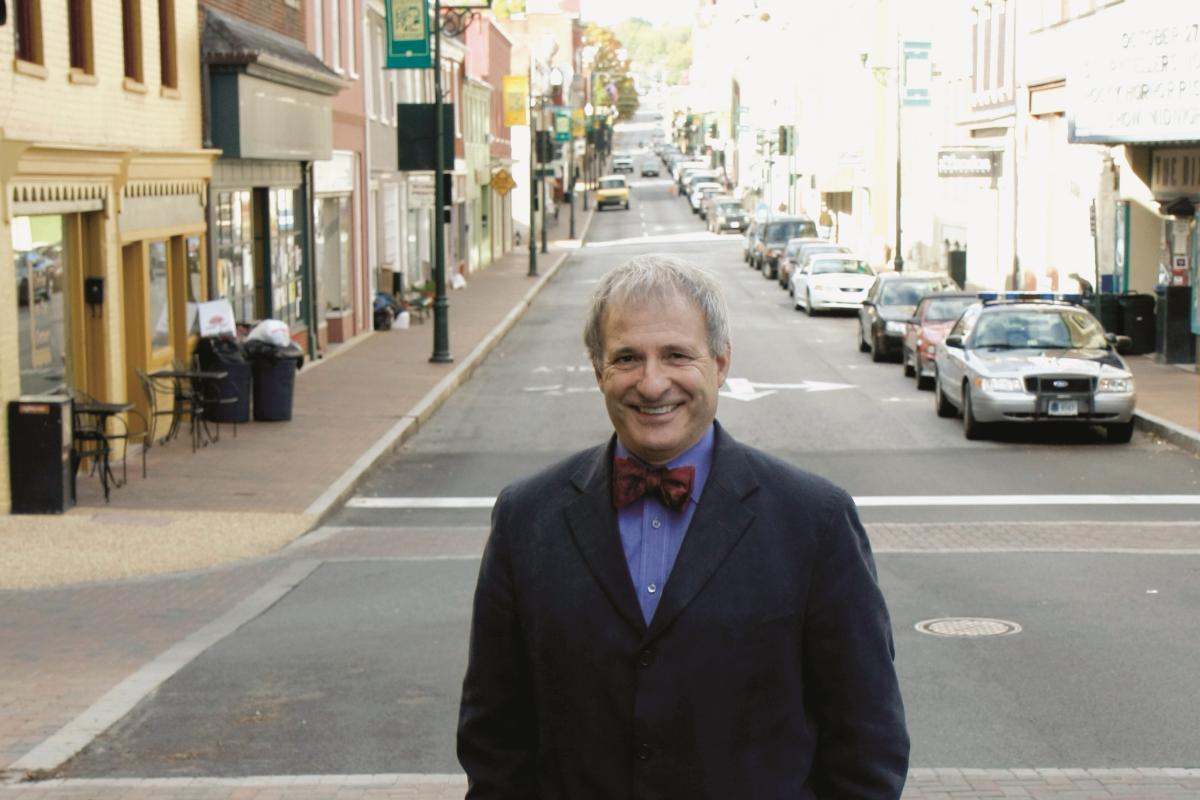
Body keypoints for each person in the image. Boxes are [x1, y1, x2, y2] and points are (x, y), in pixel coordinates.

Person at [458, 254, 909, 799]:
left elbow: (867, 739)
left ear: (720, 362)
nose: (652, 384)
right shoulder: (526, 517)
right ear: (598, 369)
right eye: (627, 357)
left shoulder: (816, 520)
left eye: (676, 355)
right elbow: (495, 737)